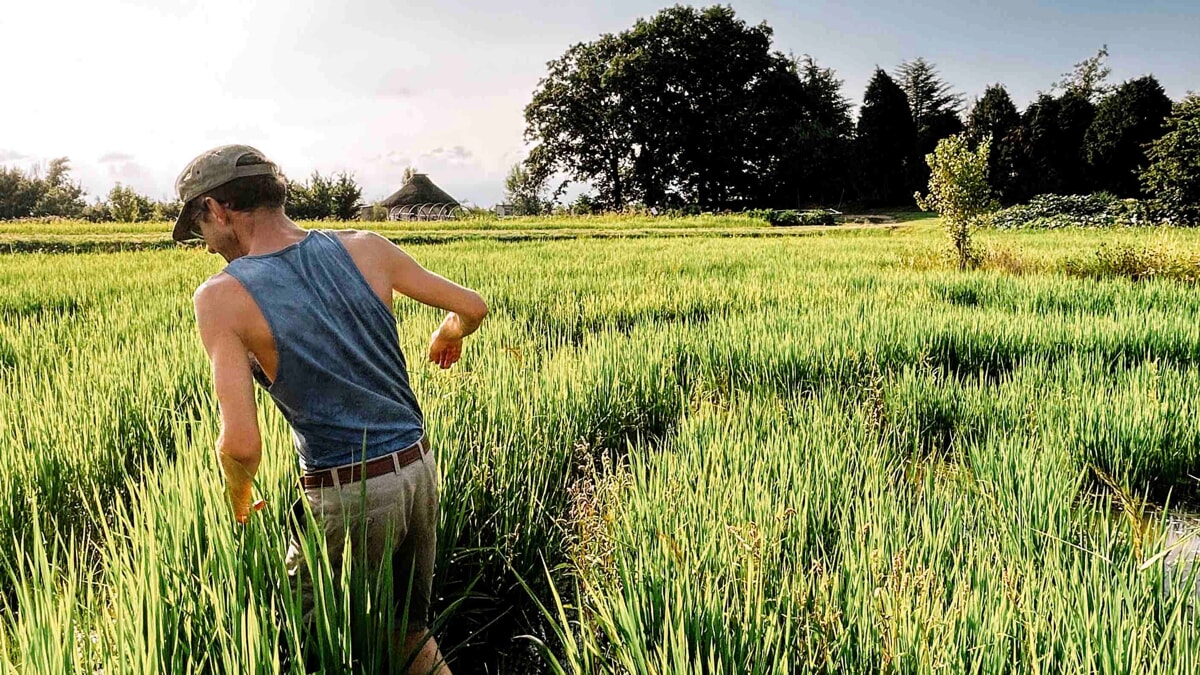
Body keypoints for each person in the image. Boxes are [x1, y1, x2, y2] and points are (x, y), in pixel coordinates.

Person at [176, 144, 486, 673]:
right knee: (405, 632)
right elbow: (472, 306)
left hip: (349, 492)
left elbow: (242, 443)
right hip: (417, 470)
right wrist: (447, 331)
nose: (205, 246)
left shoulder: (221, 297)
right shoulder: (367, 247)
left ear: (217, 210)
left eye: (199, 228)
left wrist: (240, 499)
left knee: (306, 643)